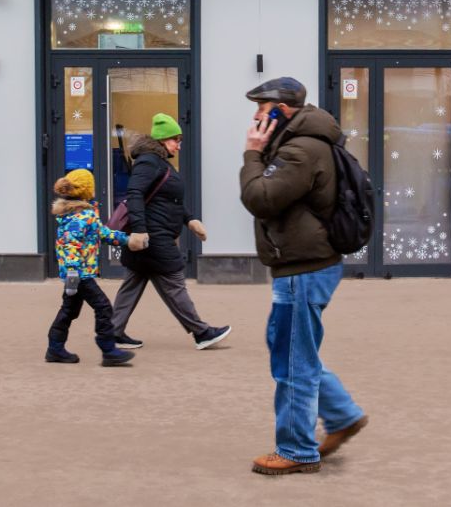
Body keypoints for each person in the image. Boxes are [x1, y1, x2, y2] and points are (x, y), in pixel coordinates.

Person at [238, 77, 367, 476]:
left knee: (293, 361)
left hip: (303, 268)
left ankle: (296, 449)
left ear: (282, 111)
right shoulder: (300, 143)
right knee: (289, 347)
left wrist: (252, 153)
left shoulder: (300, 150)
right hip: (303, 264)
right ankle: (342, 415)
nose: (257, 115)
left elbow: (260, 198)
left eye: (263, 108)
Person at [110, 113, 231, 351]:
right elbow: (135, 193)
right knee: (174, 281)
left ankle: (112, 332)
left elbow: (169, 201)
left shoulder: (159, 163)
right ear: (163, 139)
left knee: (133, 282)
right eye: (176, 139)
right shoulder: (149, 162)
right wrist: (140, 231)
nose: (179, 145)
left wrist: (190, 220)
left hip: (154, 233)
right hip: (153, 236)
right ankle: (202, 332)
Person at [45, 168, 149, 367]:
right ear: (87, 190)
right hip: (80, 275)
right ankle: (108, 350)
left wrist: (128, 240)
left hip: (78, 274)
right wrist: (73, 273)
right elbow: (70, 246)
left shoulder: (84, 214)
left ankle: (55, 348)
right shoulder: (79, 217)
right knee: (103, 307)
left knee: (69, 310)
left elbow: (104, 234)